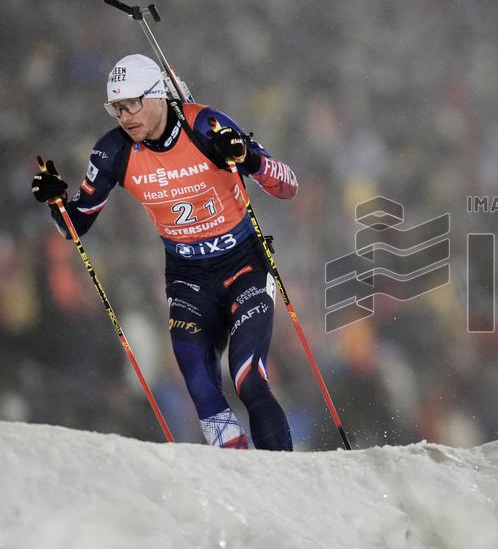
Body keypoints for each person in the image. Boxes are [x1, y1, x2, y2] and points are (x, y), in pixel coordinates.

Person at [31, 54, 299, 450]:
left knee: (248, 379)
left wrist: (249, 158)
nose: (124, 116)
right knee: (200, 385)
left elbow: (288, 185)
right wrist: (56, 203)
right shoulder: (112, 152)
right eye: (116, 108)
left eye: (131, 104)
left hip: (244, 265)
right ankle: (244, 487)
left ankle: (287, 483)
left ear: (158, 96)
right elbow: (75, 226)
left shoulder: (205, 125)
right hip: (189, 278)